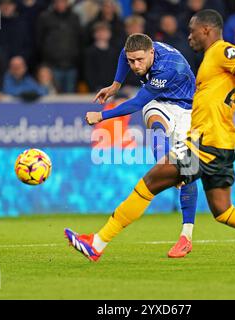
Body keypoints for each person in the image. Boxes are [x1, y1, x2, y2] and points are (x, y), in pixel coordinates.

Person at [65, 10, 235, 267]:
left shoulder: (222, 52)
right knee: (224, 211)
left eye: (192, 31)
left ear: (207, 31)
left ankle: (96, 244)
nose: (188, 37)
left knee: (149, 183)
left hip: (204, 145)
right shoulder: (213, 66)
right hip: (221, 149)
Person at [85, 33, 199, 258]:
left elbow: (137, 102)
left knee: (189, 170)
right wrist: (116, 84)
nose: (135, 66)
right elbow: (122, 54)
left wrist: (101, 116)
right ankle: (166, 163)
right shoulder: (139, 48)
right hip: (162, 103)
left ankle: (186, 236)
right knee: (152, 115)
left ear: (151, 53)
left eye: (140, 60)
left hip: (189, 110)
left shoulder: (168, 67)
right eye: (132, 61)